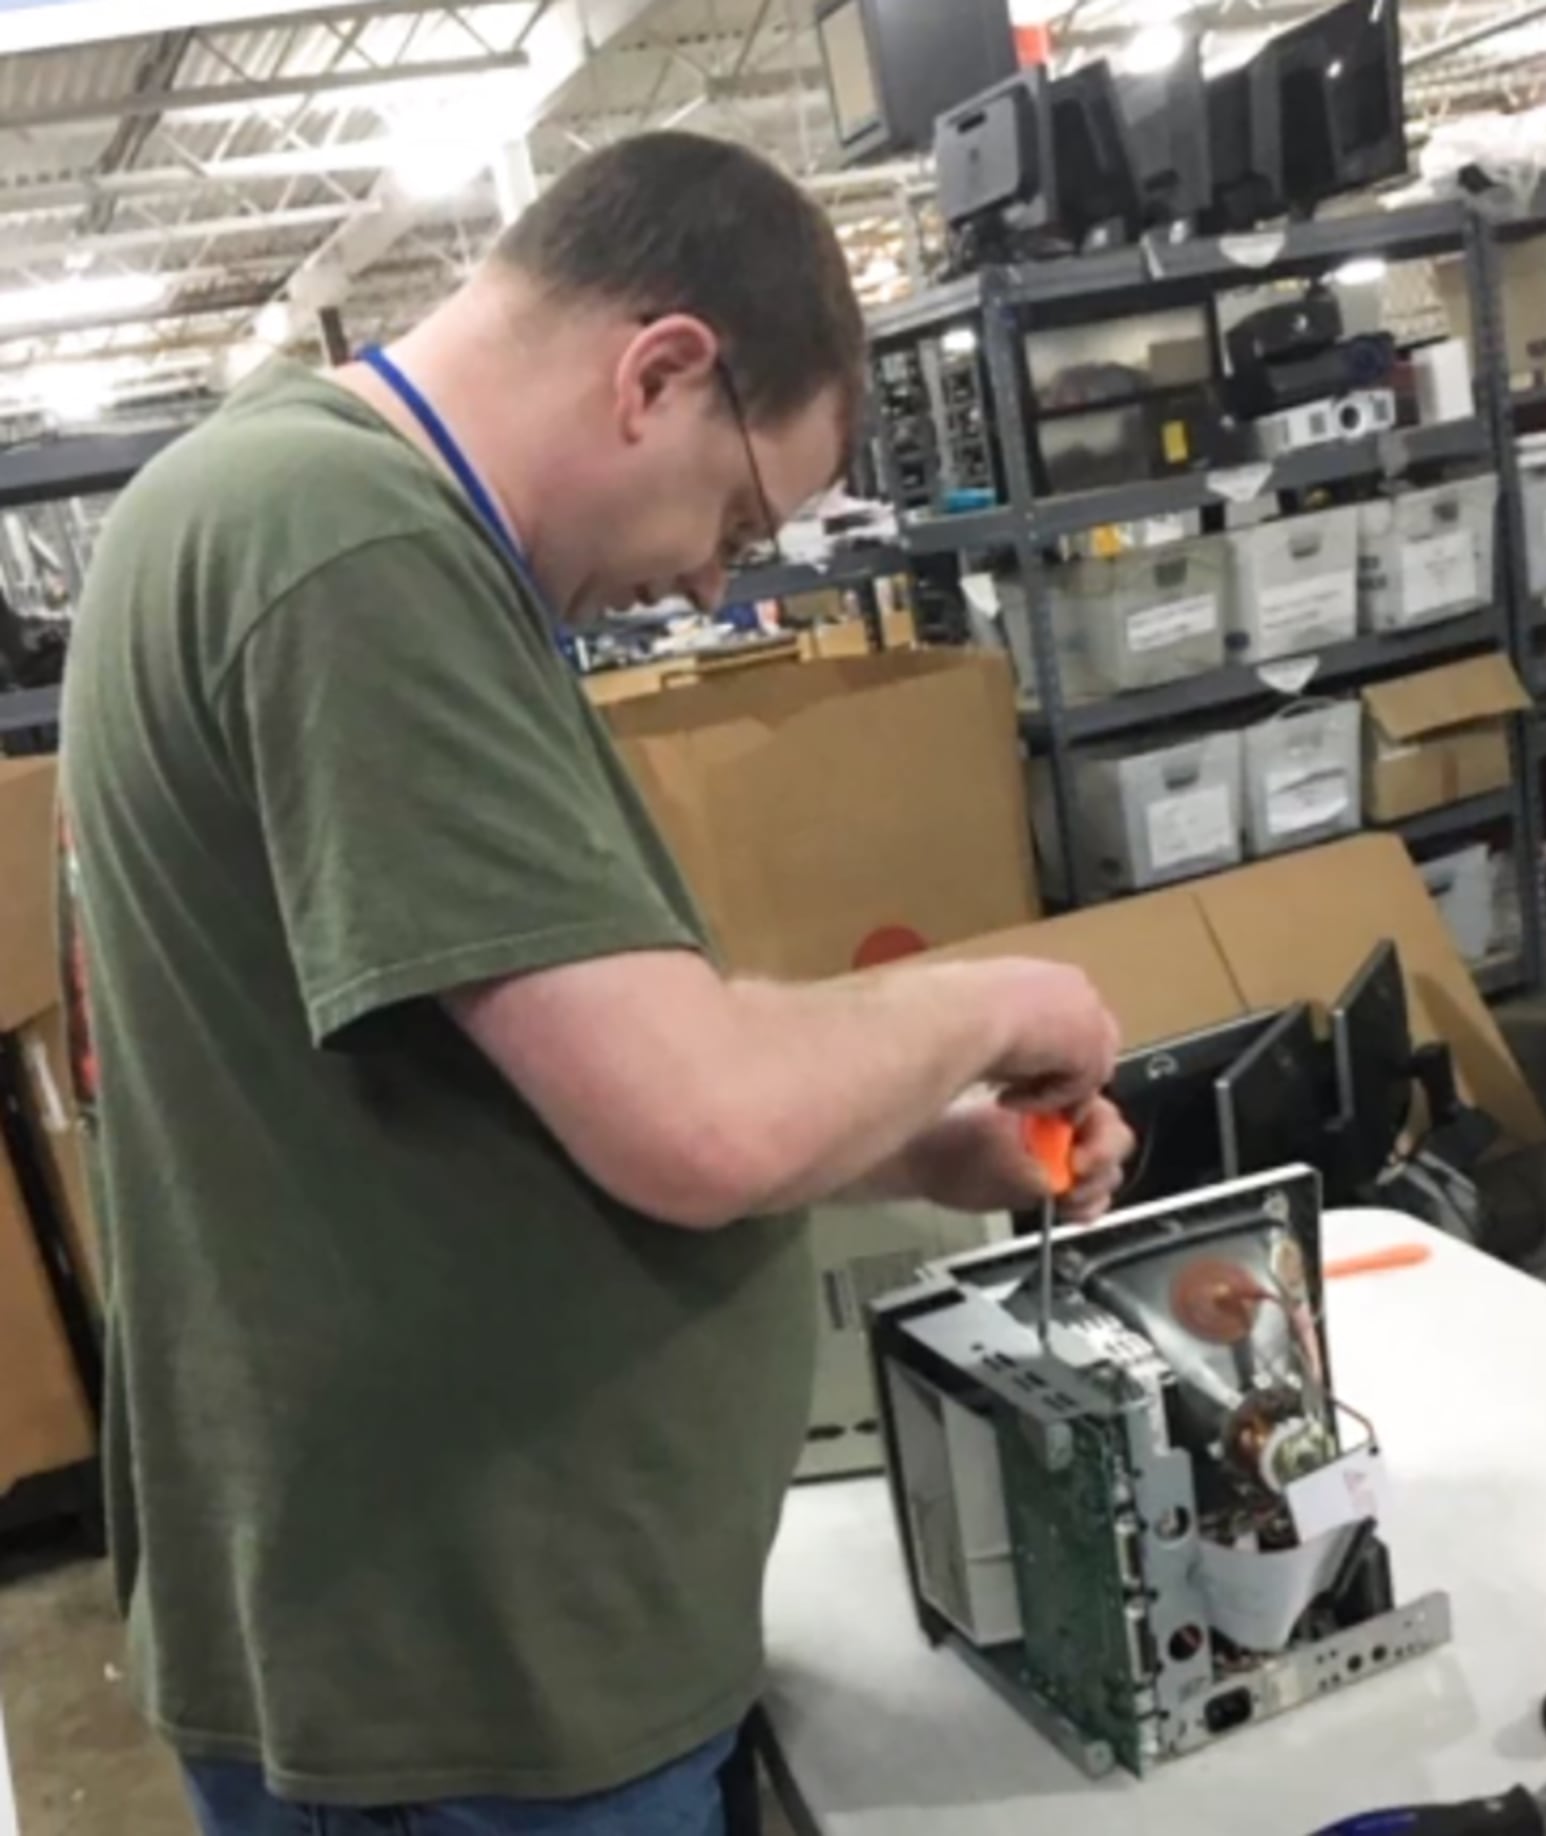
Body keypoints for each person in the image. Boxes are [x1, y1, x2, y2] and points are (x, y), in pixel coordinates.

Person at [59, 131, 1134, 1836]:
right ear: (663, 370)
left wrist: (918, 1148)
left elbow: (512, 1083)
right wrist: (1011, 1002)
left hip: (470, 1653)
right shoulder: (348, 544)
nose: (716, 579)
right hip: (472, 1694)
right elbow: (690, 1121)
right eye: (740, 511)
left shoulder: (306, 516)